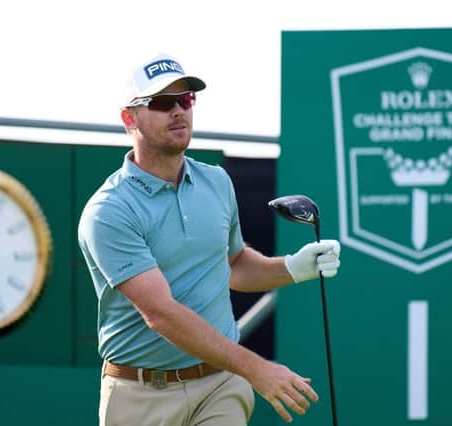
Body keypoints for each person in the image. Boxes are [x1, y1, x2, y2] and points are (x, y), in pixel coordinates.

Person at [77, 53, 341, 426]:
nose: (178, 112)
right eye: (162, 102)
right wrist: (257, 369)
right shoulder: (109, 211)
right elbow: (160, 313)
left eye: (185, 100)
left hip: (219, 385)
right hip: (138, 396)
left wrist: (294, 267)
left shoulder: (217, 182)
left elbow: (233, 264)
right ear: (129, 118)